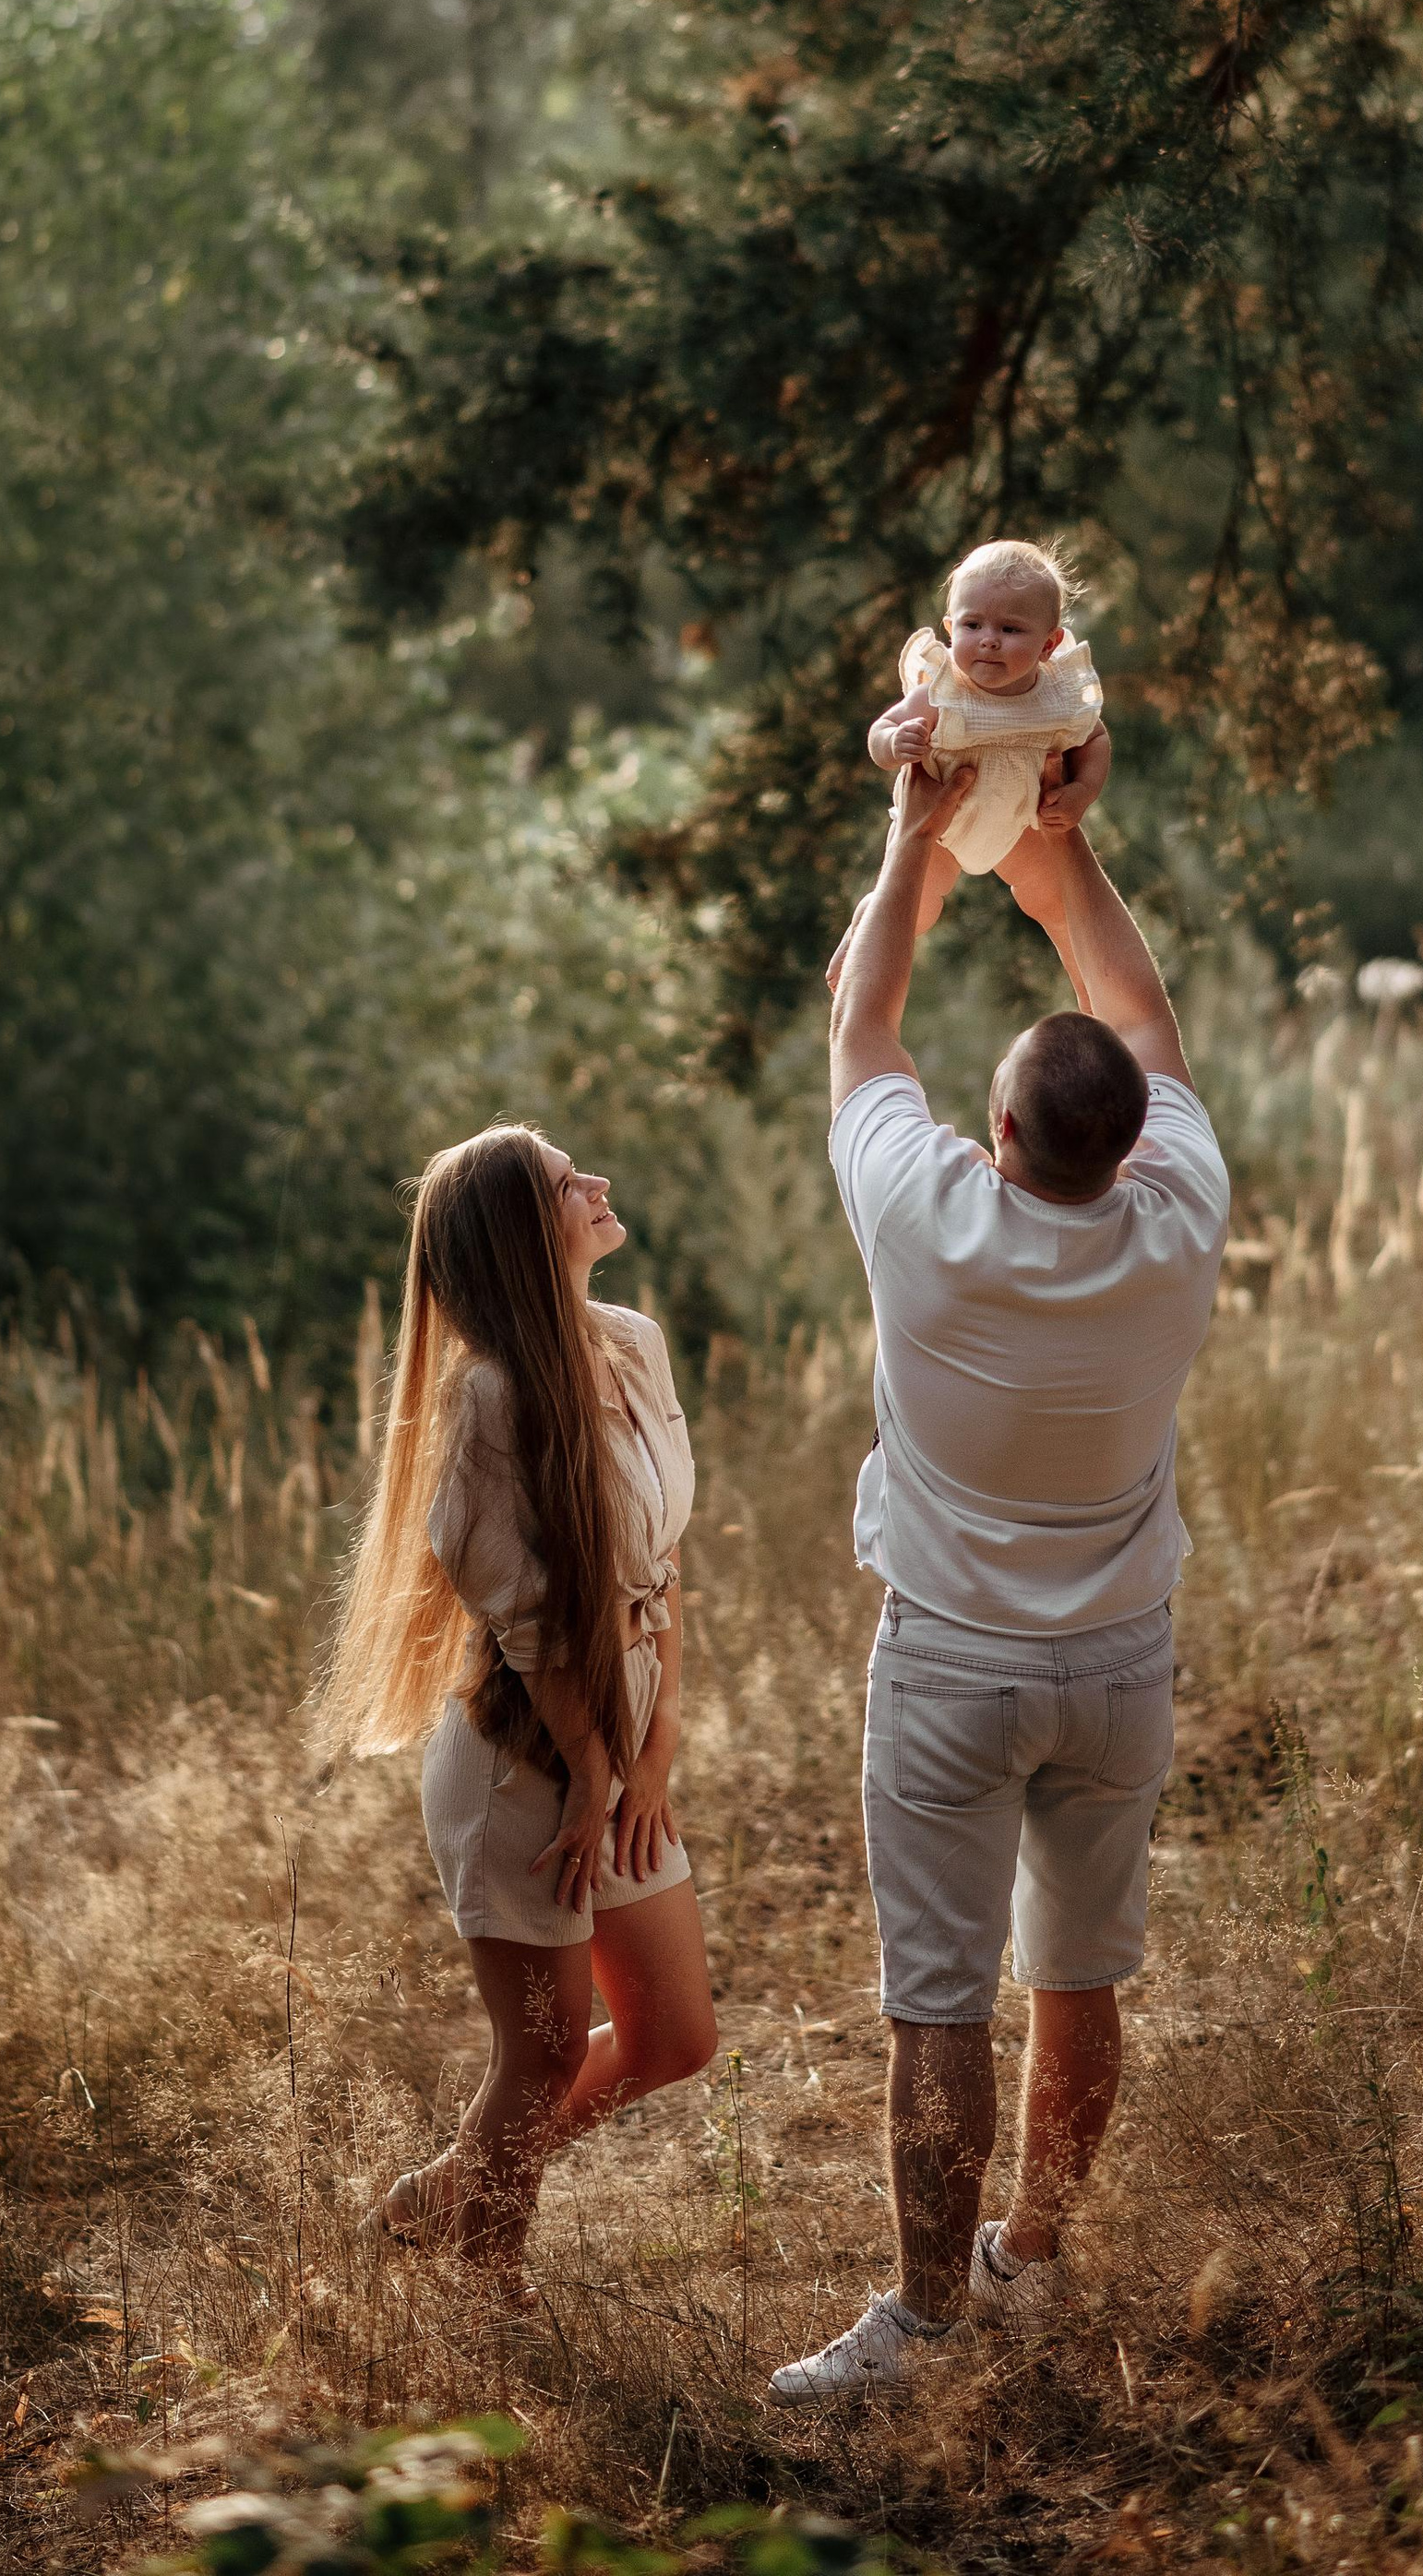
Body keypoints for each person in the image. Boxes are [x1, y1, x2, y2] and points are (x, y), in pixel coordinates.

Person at [769, 757, 1230, 2403]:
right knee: (1081, 1972)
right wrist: (1061, 848)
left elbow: (862, 1023)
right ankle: (1032, 2251)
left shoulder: (926, 1214)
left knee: (939, 2006)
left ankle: (925, 2324)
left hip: (955, 1669)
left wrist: (918, 836)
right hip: (1120, 1665)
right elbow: (1146, 1020)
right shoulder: (1179, 1217)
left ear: (1000, 1135)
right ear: (1125, 1142)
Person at [317, 1123, 718, 2296]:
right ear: (516, 1232)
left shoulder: (632, 1345)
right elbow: (526, 1625)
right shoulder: (486, 1402)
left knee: (674, 2040)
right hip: (521, 1762)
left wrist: (654, 1750)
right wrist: (592, 1771)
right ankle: (489, 2311)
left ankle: (435, 2200)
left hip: (619, 1742)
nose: (596, 1184)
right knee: (538, 2057)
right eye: (564, 1182)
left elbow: (663, 1565)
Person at [831, 541, 1112, 985]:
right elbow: (880, 730)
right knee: (912, 908)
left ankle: (1093, 997)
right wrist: (893, 742)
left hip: (1020, 821)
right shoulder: (942, 694)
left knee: (1061, 907)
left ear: (1049, 643)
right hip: (938, 828)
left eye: (1011, 629)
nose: (989, 639)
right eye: (972, 624)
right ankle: (866, 930)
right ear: (950, 628)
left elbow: (1095, 739)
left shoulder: (1057, 699)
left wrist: (1081, 792)